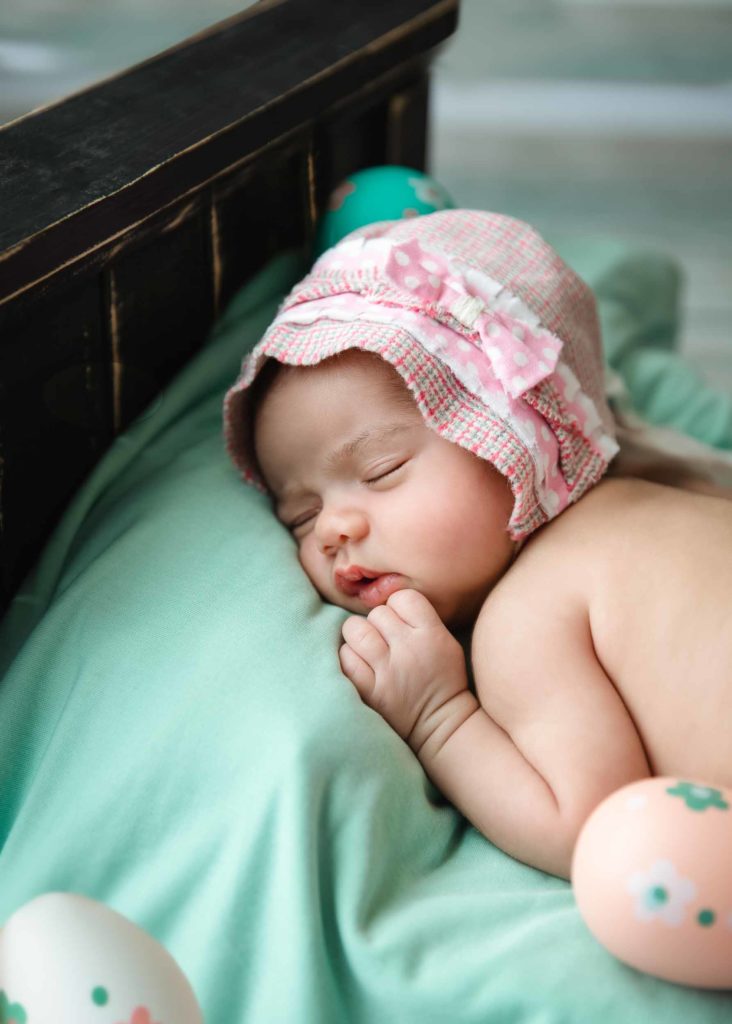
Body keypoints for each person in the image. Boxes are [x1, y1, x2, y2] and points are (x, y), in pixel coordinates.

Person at [223, 210, 732, 884]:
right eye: (299, 515)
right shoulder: (683, 499)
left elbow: (590, 825)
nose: (331, 530)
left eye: (381, 472)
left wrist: (440, 717)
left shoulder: (528, 613)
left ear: (513, 438)